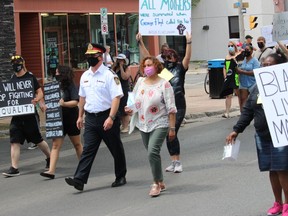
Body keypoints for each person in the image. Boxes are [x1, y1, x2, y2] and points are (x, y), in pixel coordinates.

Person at [226, 52, 288, 216]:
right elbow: (247, 111)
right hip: (263, 135)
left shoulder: (285, 85)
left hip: (281, 134)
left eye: (270, 65)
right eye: (264, 65)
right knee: (272, 170)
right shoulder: (256, 87)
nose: (266, 67)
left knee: (282, 169)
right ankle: (278, 203)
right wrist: (236, 130)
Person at [65, 43, 127, 191]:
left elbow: (116, 98)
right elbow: (82, 98)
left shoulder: (109, 75)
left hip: (106, 116)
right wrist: (80, 116)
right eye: (87, 56)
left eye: (91, 56)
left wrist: (111, 118)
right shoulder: (85, 75)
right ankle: (79, 179)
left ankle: (120, 176)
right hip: (91, 118)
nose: (89, 59)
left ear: (100, 57)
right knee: (88, 150)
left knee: (115, 148)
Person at [136, 31, 192, 173]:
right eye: (165, 57)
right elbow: (149, 57)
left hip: (178, 106)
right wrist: (140, 42)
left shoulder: (181, 68)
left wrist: (189, 42)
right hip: (165, 107)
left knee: (172, 133)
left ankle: (177, 161)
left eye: (170, 56)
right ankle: (174, 161)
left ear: (175, 57)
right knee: (169, 134)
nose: (168, 59)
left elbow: (187, 57)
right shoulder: (163, 72)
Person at [125, 56, 176, 197]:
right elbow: (135, 100)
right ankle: (160, 180)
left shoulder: (164, 84)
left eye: (150, 64)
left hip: (160, 122)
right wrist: (130, 109)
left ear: (156, 66)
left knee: (152, 152)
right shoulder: (140, 82)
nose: (147, 67)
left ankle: (155, 183)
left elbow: (171, 108)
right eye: (145, 65)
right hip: (143, 123)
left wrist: (172, 129)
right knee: (153, 154)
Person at [2, 55, 51, 177]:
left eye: (17, 62)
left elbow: (40, 92)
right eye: (13, 62)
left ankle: (50, 157)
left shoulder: (30, 77)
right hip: (17, 116)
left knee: (38, 140)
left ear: (22, 63)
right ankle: (14, 168)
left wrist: (37, 101)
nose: (15, 65)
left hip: (30, 116)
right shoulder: (12, 79)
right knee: (14, 141)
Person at [40, 65, 83, 179]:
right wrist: (46, 106)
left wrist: (64, 104)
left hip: (71, 118)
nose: (56, 74)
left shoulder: (70, 85)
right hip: (58, 119)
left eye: (58, 72)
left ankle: (84, 167)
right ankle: (51, 171)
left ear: (63, 73)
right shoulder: (53, 86)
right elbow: (50, 101)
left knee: (77, 144)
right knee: (55, 145)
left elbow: (75, 102)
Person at [236, 45, 260, 112]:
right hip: (243, 83)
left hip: (253, 83)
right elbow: (238, 69)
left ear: (252, 51)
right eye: (245, 49)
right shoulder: (242, 60)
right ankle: (243, 114)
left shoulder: (255, 61)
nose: (246, 51)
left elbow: (255, 72)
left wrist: (242, 72)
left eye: (248, 50)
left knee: (254, 100)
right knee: (243, 99)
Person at [220, 41, 240, 118]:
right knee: (228, 95)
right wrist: (225, 76)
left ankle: (242, 111)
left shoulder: (238, 55)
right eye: (228, 46)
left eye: (231, 45)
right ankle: (227, 112)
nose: (230, 47)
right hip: (229, 78)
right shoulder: (227, 56)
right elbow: (224, 67)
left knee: (239, 95)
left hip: (236, 77)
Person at [112, 53, 131, 133]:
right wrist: (115, 65)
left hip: (124, 89)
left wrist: (121, 67)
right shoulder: (114, 68)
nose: (119, 61)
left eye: (121, 60)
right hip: (116, 89)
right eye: (118, 60)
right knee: (118, 108)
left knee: (124, 108)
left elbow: (124, 77)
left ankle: (125, 126)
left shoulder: (127, 68)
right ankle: (121, 124)